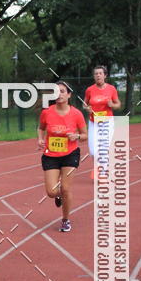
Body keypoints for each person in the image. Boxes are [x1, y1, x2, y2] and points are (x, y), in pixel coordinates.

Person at [37, 82, 87, 232]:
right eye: (56, 91)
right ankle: (59, 196)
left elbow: (85, 135)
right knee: (52, 192)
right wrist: (40, 139)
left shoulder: (76, 114)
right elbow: (41, 128)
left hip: (70, 154)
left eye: (62, 91)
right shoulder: (47, 112)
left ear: (69, 94)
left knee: (66, 188)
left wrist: (77, 135)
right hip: (51, 155)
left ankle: (65, 220)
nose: (59, 94)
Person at [83, 65, 121, 176]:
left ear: (105, 75)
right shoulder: (90, 90)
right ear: (94, 76)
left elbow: (118, 104)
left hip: (107, 122)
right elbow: (84, 104)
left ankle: (103, 171)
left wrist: (112, 105)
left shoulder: (111, 89)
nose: (98, 75)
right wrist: (87, 108)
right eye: (96, 74)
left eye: (100, 73)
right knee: (93, 151)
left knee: (103, 148)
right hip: (93, 122)